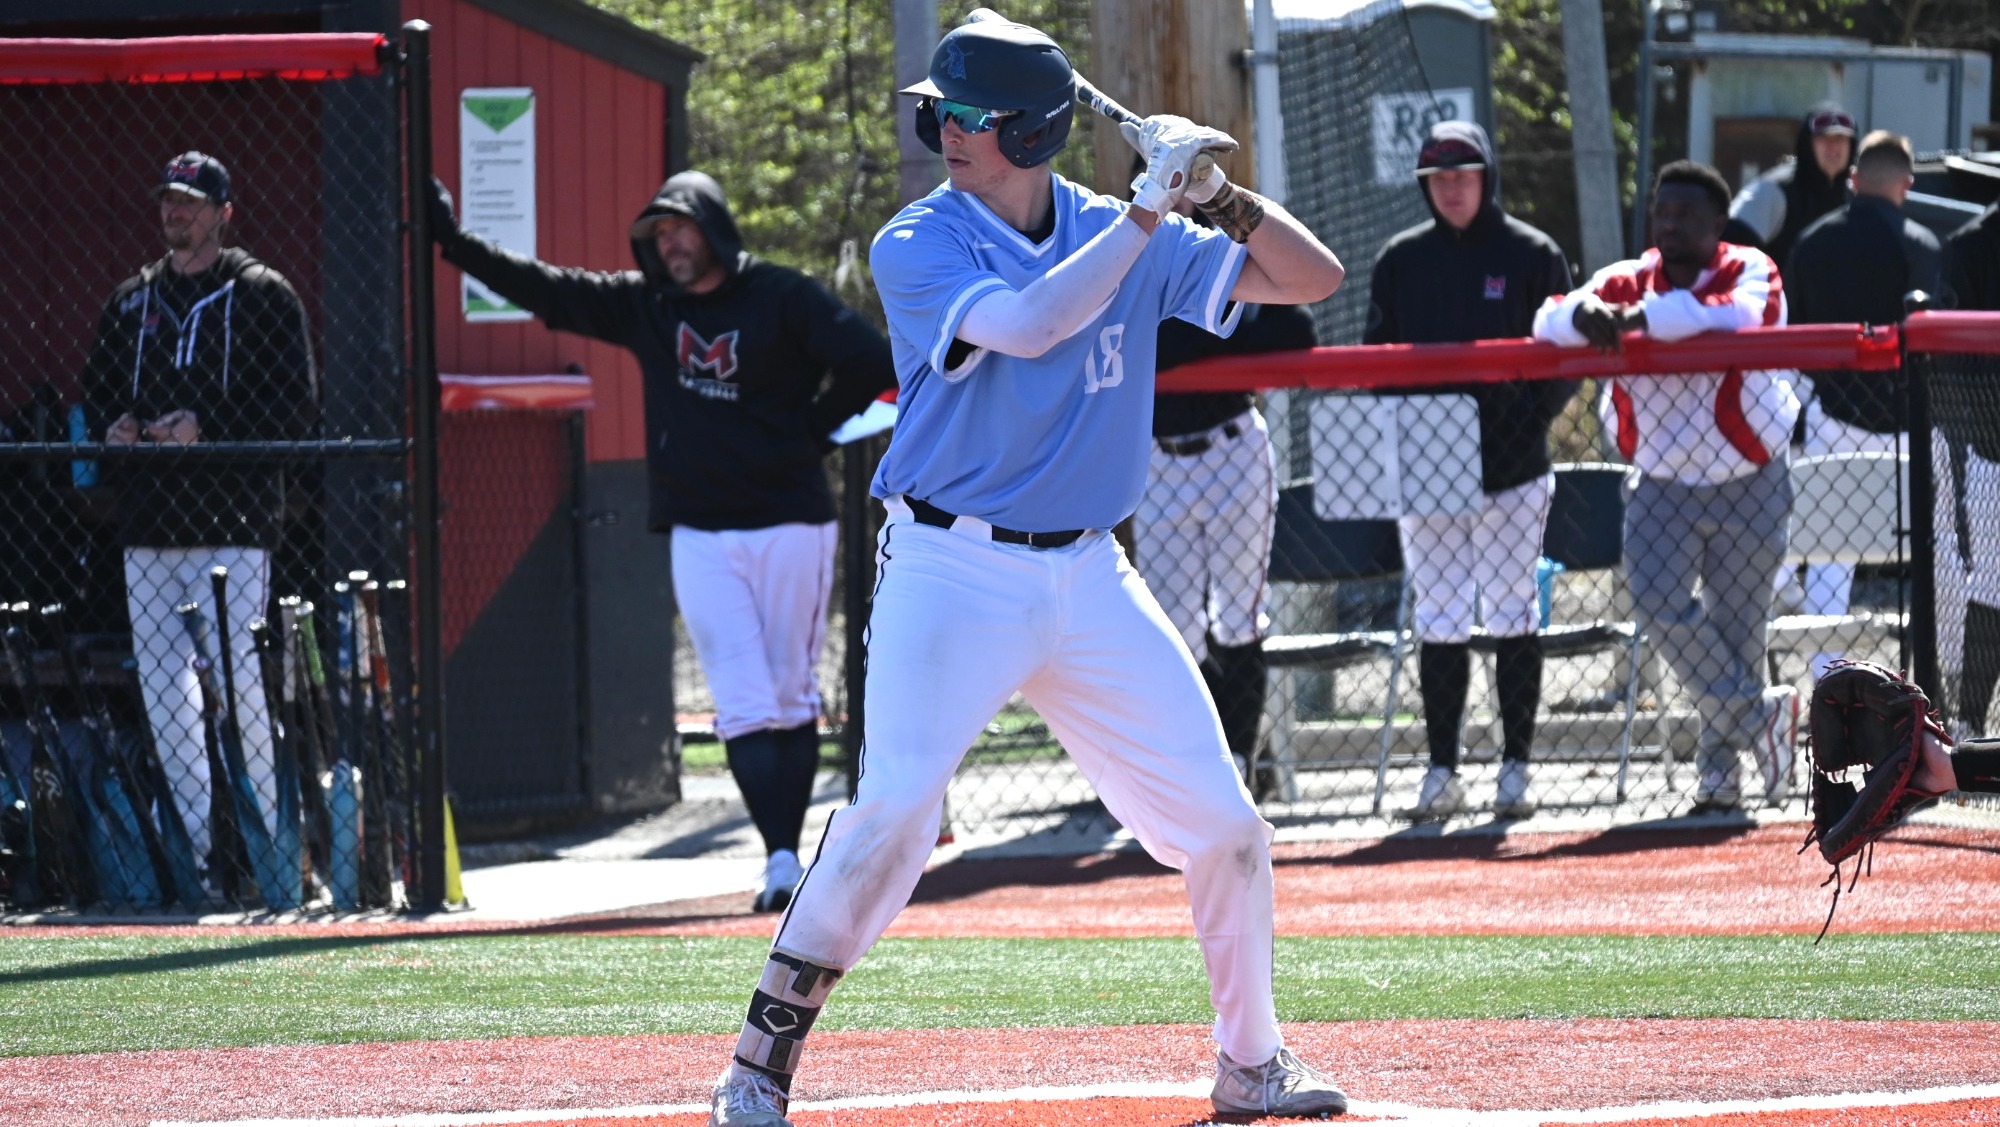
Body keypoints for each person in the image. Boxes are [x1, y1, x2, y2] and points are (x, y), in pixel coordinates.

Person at [706, 17, 1348, 1127]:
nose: (943, 131)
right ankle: (756, 1065)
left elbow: (1312, 277)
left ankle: (1250, 1062)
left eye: (968, 117)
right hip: (950, 566)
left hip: (1090, 575)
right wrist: (1150, 206)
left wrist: (1212, 195)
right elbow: (1039, 322)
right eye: (937, 113)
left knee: (1226, 824)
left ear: (1034, 129)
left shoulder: (1122, 227)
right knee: (895, 806)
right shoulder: (918, 240)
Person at [425, 169, 895, 914]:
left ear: (714, 224)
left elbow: (873, 361)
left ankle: (787, 850)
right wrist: (453, 245)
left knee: (789, 691)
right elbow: (551, 290)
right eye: (658, 234)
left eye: (681, 227)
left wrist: (808, 432)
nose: (671, 244)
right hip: (701, 530)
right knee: (740, 702)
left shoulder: (780, 294)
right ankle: (778, 859)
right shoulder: (648, 308)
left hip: (790, 523)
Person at [1533, 160, 1801, 814]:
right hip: (1660, 482)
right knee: (1655, 601)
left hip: (1751, 476)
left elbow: (1742, 318)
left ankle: (1718, 773)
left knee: (1740, 627)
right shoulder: (1625, 280)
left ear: (1718, 224)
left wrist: (1638, 322)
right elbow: (1548, 320)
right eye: (1663, 212)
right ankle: (1761, 715)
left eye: (1687, 214)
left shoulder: (1752, 268)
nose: (1672, 224)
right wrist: (1589, 314)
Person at [79, 152, 318, 883]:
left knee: (242, 684)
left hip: (234, 522)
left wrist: (205, 424)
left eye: (190, 201)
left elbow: (296, 408)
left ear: (223, 212)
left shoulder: (263, 294)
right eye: (168, 200)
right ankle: (200, 860)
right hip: (149, 525)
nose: (174, 212)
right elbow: (95, 390)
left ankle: (274, 850)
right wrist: (115, 426)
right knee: (166, 694)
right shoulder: (131, 299)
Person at [1363, 121, 1577, 821]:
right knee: (1441, 615)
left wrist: (1526, 419)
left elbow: (1565, 358)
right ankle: (1441, 769)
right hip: (1430, 467)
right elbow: (1375, 361)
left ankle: (1515, 765)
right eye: (1437, 177)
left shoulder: (1533, 253)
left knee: (1514, 608)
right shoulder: (1400, 259)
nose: (1451, 187)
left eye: (1464, 173)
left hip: (1514, 465)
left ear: (1488, 175)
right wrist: (1422, 432)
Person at [1135, 188, 1317, 800]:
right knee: (1175, 627)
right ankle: (1193, 762)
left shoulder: (1223, 253)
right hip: (1157, 461)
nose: (1168, 203)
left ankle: (1237, 761)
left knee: (1238, 618)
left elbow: (1296, 333)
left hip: (1232, 448)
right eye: (1157, 189)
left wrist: (1206, 336)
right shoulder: (1124, 257)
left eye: (1180, 190)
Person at [1784, 130, 1943, 683]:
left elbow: (1795, 337)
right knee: (1933, 553)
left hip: (1835, 417)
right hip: (1909, 424)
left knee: (1829, 561)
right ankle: (1931, 683)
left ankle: (1826, 685)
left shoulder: (1812, 243)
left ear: (1854, 180)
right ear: (1907, 184)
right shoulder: (1921, 243)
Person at [1941, 199, 2000, 734]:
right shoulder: (1972, 245)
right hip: (1995, 445)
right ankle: (1970, 726)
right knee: (1991, 587)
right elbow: (1955, 360)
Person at [1724, 104, 1856, 267]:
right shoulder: (1773, 190)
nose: (1834, 147)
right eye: (1823, 138)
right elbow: (1728, 250)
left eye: (1841, 139)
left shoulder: (1854, 196)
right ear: (1808, 144)